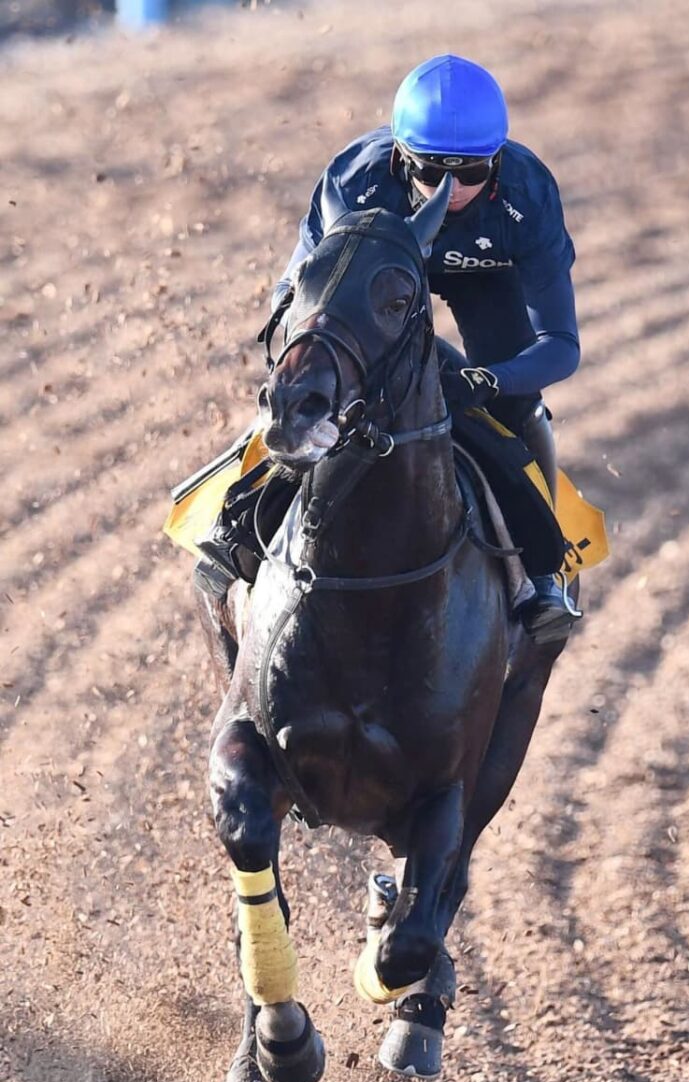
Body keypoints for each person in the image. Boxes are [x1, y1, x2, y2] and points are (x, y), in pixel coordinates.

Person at [201, 54, 582, 642]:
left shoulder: (529, 195)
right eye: (432, 171)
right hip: (377, 271)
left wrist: (487, 382)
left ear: (498, 158)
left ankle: (542, 568)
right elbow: (293, 294)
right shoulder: (357, 180)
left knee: (517, 406)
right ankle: (241, 521)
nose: (452, 189)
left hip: (490, 284)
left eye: (474, 172)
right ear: (402, 156)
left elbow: (559, 345)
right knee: (316, 384)